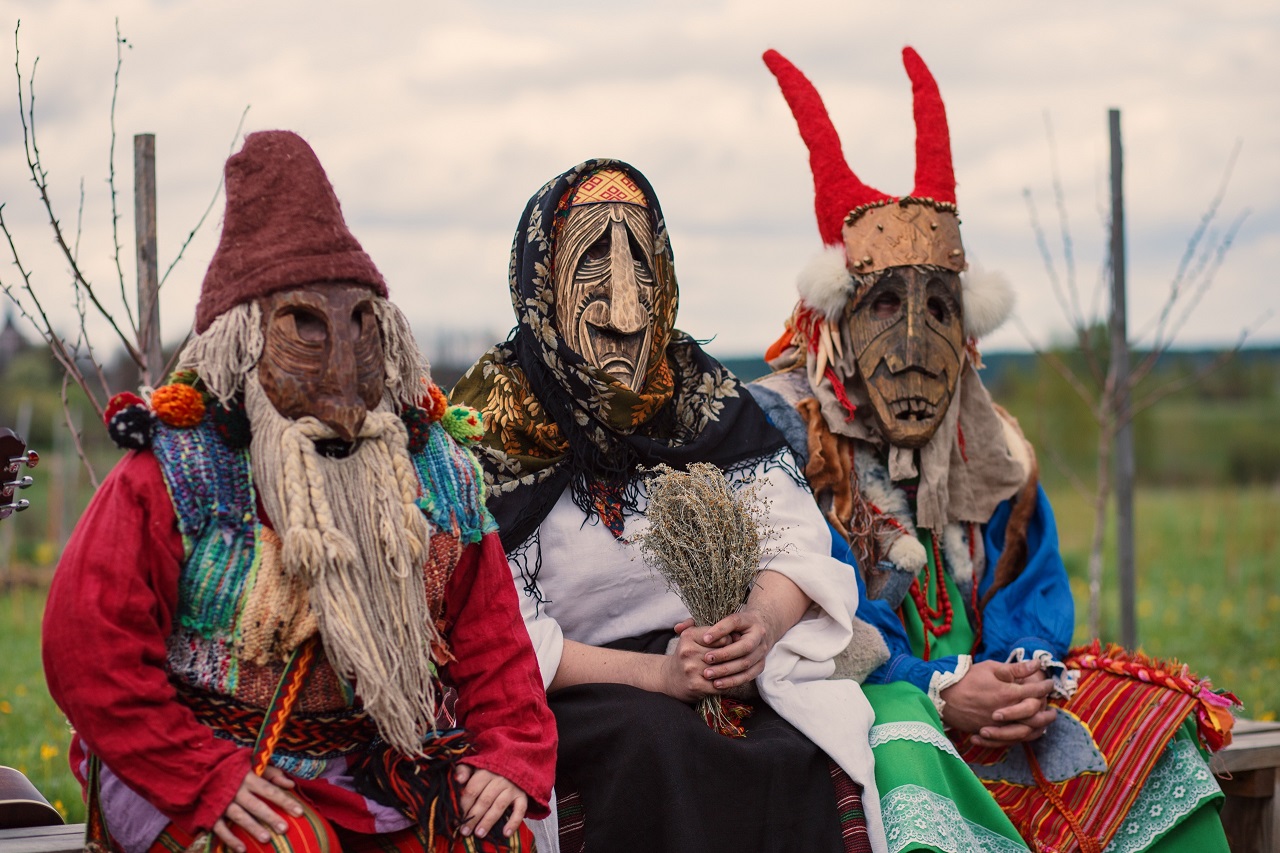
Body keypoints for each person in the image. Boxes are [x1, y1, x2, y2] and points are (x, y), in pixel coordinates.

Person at [748, 48, 1239, 853]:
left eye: (939, 307)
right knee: (901, 726)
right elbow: (822, 626)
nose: (912, 346)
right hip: (879, 697)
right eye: (880, 307)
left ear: (968, 328)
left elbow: (1033, 587)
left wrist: (1022, 675)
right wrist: (942, 689)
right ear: (833, 322)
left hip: (994, 693)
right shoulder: (786, 437)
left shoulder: (992, 446)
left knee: (1143, 721)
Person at [42, 131, 556, 853]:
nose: (343, 387)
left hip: (371, 767)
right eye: (305, 327)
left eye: (362, 328)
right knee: (286, 846)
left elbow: (493, 641)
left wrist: (507, 753)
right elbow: (85, 648)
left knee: (486, 839)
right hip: (192, 762)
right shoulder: (174, 470)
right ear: (243, 341)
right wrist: (198, 773)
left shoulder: (437, 471)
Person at [452, 161, 890, 853]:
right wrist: (660, 675)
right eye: (594, 256)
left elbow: (792, 543)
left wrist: (760, 622)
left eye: (642, 258)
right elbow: (493, 629)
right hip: (573, 689)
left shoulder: (701, 399)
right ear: (541, 279)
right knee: (656, 743)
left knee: (799, 749)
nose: (627, 305)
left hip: (722, 666)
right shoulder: (489, 430)